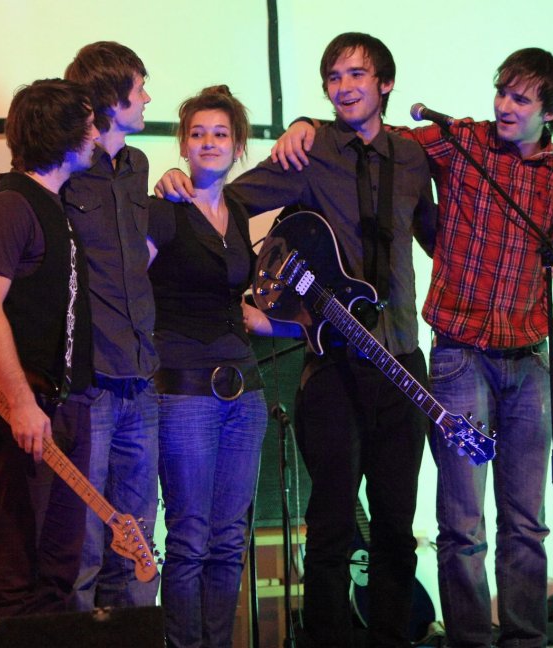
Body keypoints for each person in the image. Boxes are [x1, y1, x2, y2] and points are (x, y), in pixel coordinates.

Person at [271, 47, 553, 648]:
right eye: (502, 91)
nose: (504, 105)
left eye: (520, 98)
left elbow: (544, 252)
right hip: (459, 354)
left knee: (527, 523)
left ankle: (525, 641)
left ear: (551, 112)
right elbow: (372, 136)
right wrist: (305, 124)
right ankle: (469, 641)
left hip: (529, 357)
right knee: (462, 525)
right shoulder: (457, 140)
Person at [157, 32, 436, 648]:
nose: (344, 87)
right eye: (334, 77)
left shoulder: (413, 157)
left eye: (357, 75)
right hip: (332, 370)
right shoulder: (309, 152)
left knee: (396, 526)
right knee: (330, 524)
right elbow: (229, 197)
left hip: (401, 362)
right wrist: (182, 182)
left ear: (386, 84)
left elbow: (438, 237)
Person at [0, 78, 98, 616]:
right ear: (62, 134)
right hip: (27, 411)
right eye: (88, 124)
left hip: (64, 409)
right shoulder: (10, 205)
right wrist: (21, 402)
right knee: (14, 572)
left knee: (57, 572)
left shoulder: (52, 204)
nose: (96, 134)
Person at [147, 85, 270, 648]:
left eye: (220, 133)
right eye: (197, 133)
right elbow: (129, 287)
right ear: (183, 144)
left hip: (245, 393)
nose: (209, 142)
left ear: (238, 145)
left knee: (229, 541)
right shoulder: (164, 209)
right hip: (185, 393)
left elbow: (239, 296)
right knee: (190, 540)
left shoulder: (237, 212)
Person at [62, 41, 161, 610]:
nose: (147, 98)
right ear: (110, 98)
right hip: (91, 382)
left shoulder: (138, 165)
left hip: (141, 378)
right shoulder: (69, 169)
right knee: (84, 545)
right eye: (139, 88)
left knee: (138, 543)